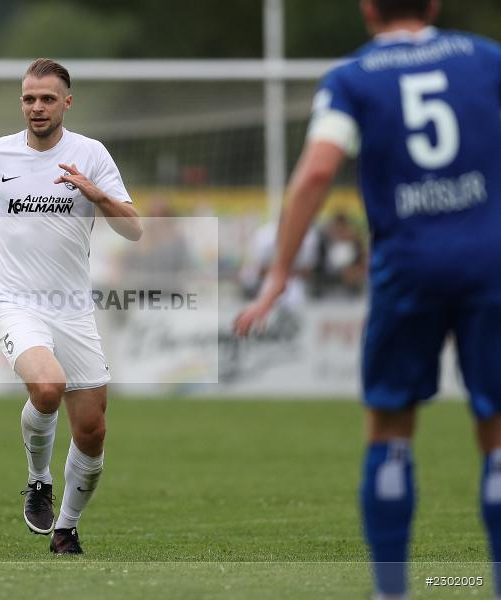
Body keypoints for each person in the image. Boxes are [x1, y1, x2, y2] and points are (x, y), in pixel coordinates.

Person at [235, 1, 501, 598]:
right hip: (491, 263)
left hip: (408, 267)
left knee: (389, 425)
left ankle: (391, 590)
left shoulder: (352, 79)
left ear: (367, 10)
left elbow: (314, 174)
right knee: (496, 427)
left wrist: (280, 271)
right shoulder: (486, 60)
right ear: (432, 4)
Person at [0, 58, 142, 554]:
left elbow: (133, 227)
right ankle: (38, 479)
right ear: (21, 102)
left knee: (92, 430)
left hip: (71, 304)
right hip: (10, 295)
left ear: (67, 102)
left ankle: (66, 527)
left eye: (48, 98)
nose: (37, 107)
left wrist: (96, 195)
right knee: (48, 387)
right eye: (29, 98)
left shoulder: (91, 155)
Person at [311, 212, 367, 298]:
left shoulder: (355, 242)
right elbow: (318, 264)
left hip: (350, 280)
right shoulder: (324, 242)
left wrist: (356, 271)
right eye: (337, 227)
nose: (339, 231)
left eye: (342, 227)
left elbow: (362, 262)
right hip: (328, 277)